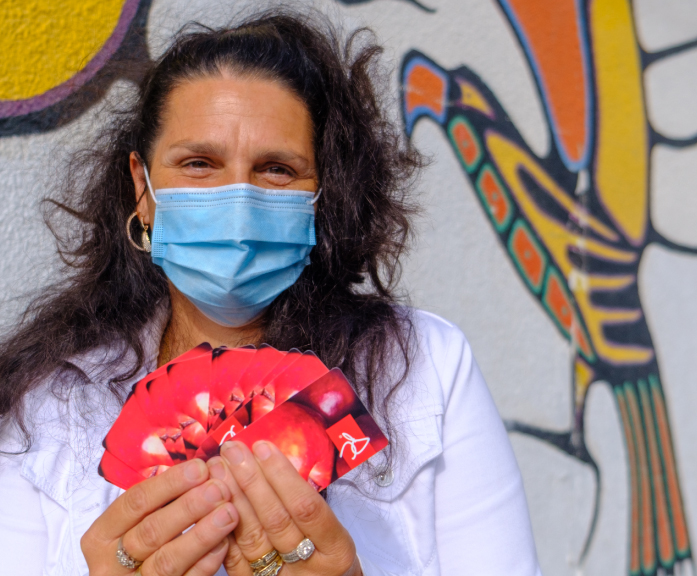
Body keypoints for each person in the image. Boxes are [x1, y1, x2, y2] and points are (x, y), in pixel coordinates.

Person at [0, 11, 541, 576]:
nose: (238, 204)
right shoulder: (49, 405)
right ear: (143, 188)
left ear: (323, 194)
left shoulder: (423, 371)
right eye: (199, 164)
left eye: (277, 170)